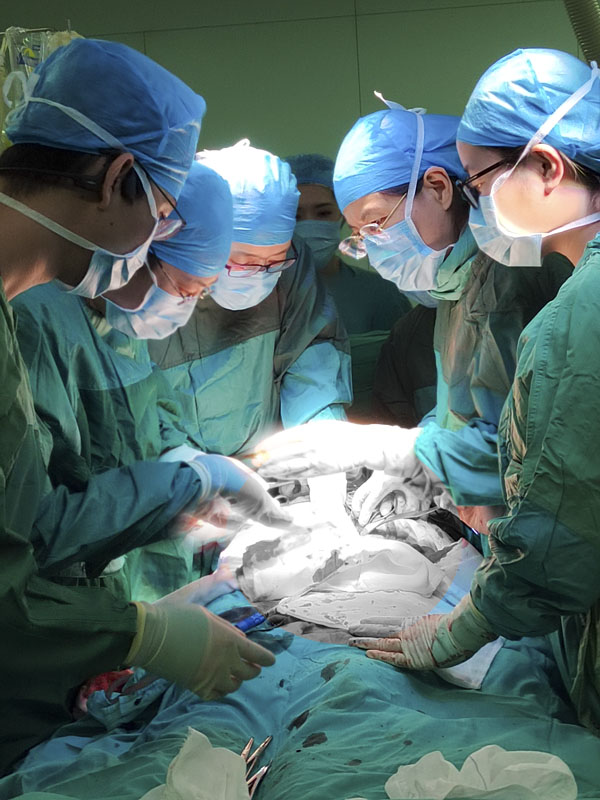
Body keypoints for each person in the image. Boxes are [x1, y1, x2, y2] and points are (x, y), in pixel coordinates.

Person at [263, 49, 600, 734]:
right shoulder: (540, 299)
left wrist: (459, 631)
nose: (478, 203)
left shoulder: (568, 312)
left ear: (547, 168)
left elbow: (557, 522)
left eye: (480, 183)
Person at [0, 39, 276, 775]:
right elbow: (17, 563)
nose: (156, 241)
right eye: (163, 216)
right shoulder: (30, 320)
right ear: (120, 178)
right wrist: (143, 634)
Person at [259, 104, 572, 537]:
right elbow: (465, 413)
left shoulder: (512, 277)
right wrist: (417, 466)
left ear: (438, 187)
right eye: (361, 235)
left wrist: (409, 453)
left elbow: (536, 441)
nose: (372, 248)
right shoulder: (457, 284)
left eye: (375, 224)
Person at [13, 161, 236, 602]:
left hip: (119, 572)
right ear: (136, 254)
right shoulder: (35, 322)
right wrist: (179, 487)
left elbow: (148, 410)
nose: (186, 306)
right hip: (56, 594)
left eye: (203, 293)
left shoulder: (121, 317)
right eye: (186, 289)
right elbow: (35, 526)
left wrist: (183, 455)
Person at [150, 141, 352, 510]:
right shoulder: (147, 285)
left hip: (271, 482)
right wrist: (186, 468)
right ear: (201, 241)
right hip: (168, 488)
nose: (261, 275)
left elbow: (311, 363)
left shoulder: (294, 265)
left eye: (274, 261)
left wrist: (323, 455)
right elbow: (130, 404)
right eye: (243, 262)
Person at [285, 152, 410, 418]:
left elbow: (408, 379)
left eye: (323, 212)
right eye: (295, 215)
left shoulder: (381, 294)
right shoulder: (264, 299)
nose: (310, 224)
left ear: (343, 215)